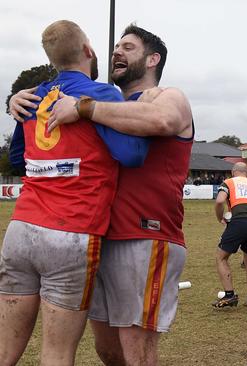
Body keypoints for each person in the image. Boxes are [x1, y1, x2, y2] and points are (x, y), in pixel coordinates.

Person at [14, 24, 194, 365]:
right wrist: (20, 98)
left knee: (136, 352)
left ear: (153, 59)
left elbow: (161, 121)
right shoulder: (102, 99)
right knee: (108, 351)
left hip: (145, 235)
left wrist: (86, 108)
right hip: (96, 237)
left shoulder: (166, 96)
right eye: (115, 47)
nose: (117, 52)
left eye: (128, 47)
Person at [0, 20, 149, 366]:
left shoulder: (34, 95)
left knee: (5, 352)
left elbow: (19, 158)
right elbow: (132, 155)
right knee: (56, 352)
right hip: (71, 232)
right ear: (87, 51)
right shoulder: (103, 94)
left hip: (21, 228)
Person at [213, 162, 247, 309]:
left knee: (221, 257)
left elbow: (219, 201)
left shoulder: (229, 182)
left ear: (233, 172)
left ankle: (229, 295)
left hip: (240, 220)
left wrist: (220, 218)